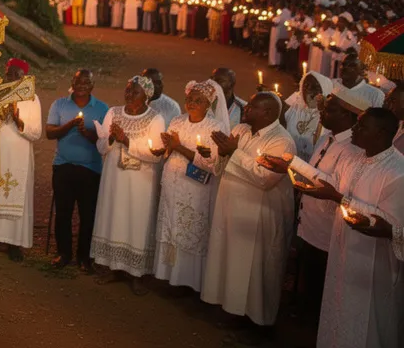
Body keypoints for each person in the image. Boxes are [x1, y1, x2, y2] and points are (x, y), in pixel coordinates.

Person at [259, 83, 366, 314]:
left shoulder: (353, 149)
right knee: (303, 278)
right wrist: (287, 168)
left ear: (346, 115)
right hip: (308, 220)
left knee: (318, 291)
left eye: (329, 110)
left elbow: (334, 186)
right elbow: (312, 169)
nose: (322, 113)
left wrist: (292, 164)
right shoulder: (328, 136)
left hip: (326, 231)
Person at [201, 93, 296, 338]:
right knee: (234, 262)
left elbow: (265, 178)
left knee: (258, 268)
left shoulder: (283, 142)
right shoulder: (242, 129)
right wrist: (221, 153)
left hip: (260, 215)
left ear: (268, 113)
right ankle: (235, 312)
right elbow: (219, 167)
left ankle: (260, 324)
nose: (247, 107)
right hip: (232, 208)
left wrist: (233, 152)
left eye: (253, 106)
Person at [309, 107, 404, 348]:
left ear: (382, 134)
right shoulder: (355, 156)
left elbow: (391, 225)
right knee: (338, 308)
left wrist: (341, 200)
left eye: (362, 126)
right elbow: (335, 185)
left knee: (367, 320)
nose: (354, 129)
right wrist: (298, 172)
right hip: (342, 249)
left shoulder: (398, 172)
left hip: (372, 263)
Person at [90, 75, 166, 295]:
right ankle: (113, 267)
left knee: (137, 219)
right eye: (127, 90)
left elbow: (155, 155)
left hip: (140, 182)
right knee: (114, 216)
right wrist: (112, 139)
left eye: (135, 92)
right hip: (114, 178)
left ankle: (136, 274)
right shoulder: (113, 113)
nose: (129, 94)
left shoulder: (155, 119)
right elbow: (101, 146)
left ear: (147, 96)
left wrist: (127, 141)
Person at [153, 81, 224, 293]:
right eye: (190, 99)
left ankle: (188, 281)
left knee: (190, 226)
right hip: (172, 180)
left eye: (198, 100)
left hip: (195, 187)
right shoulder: (177, 120)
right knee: (170, 224)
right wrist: (165, 148)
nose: (192, 103)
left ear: (208, 105)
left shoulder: (214, 128)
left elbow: (212, 164)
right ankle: (167, 275)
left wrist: (178, 147)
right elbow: (170, 150)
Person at [45, 69, 109, 271]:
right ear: (72, 82)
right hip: (63, 166)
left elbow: (104, 141)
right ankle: (63, 253)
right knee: (63, 212)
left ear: (92, 85)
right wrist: (70, 125)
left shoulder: (101, 108)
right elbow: (49, 132)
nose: (81, 86)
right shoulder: (60, 104)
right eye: (78, 81)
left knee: (87, 214)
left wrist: (86, 132)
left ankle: (84, 257)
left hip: (90, 169)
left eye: (86, 83)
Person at [0, 58, 41, 260]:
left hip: (20, 156)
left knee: (17, 195)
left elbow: (35, 133)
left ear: (24, 77)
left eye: (16, 75)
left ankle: (14, 244)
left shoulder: (32, 98)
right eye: (9, 73)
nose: (11, 78)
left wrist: (18, 119)